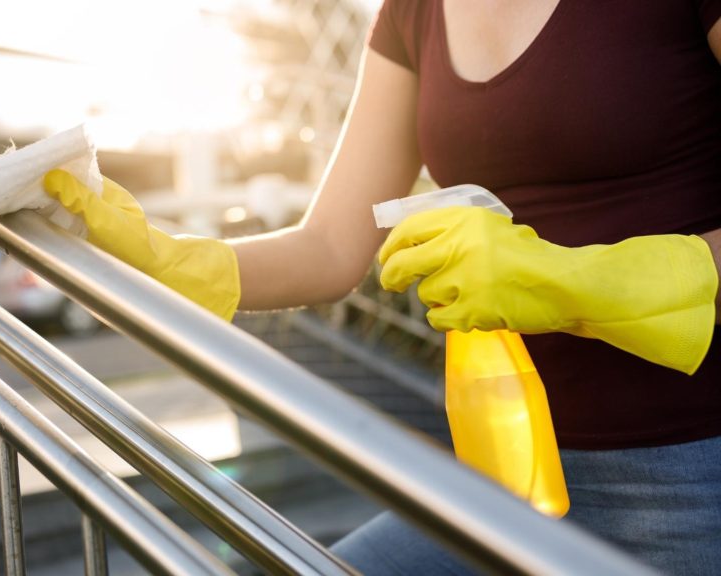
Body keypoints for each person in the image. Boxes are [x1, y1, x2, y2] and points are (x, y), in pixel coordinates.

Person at [40, 1, 721, 573]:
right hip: (502, 475)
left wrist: (579, 281)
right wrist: (175, 260)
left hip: (692, 473)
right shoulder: (416, 10)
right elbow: (335, 244)